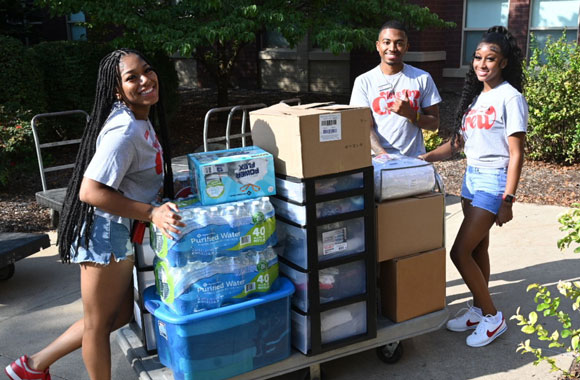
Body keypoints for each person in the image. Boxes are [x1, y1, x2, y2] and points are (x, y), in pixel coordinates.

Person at [5, 48, 185, 380]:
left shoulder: (138, 117)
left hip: (120, 229)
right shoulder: (124, 131)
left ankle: (32, 367)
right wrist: (152, 212)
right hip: (104, 233)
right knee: (99, 324)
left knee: (113, 318)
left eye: (147, 70)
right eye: (132, 77)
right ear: (117, 89)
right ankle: (33, 368)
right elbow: (91, 192)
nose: (146, 80)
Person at [419, 26, 527, 347]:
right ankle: (480, 309)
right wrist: (422, 157)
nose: (482, 63)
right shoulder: (478, 97)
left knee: (459, 251)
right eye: (478, 57)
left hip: (494, 181)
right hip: (471, 177)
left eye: (490, 58)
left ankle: (494, 318)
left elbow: (517, 153)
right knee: (479, 248)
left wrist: (508, 198)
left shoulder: (511, 97)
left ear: (503, 62)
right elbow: (457, 144)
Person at [350, 19, 442, 157]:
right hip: (377, 160)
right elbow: (363, 127)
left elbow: (434, 124)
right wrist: (383, 155)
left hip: (413, 159)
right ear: (378, 46)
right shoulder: (364, 81)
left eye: (399, 43)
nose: (392, 48)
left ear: (407, 47)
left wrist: (412, 114)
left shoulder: (422, 78)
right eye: (386, 42)